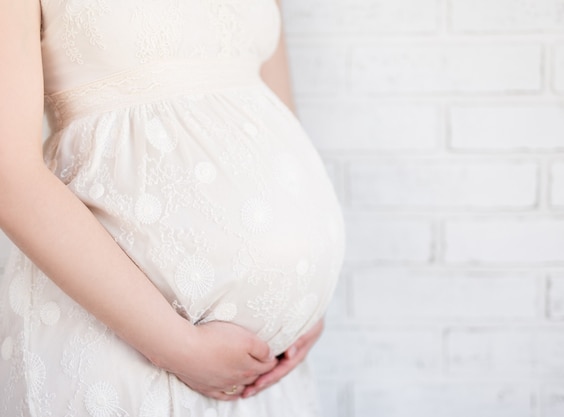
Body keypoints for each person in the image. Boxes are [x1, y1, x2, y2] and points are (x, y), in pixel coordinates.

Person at [0, 0, 345, 416]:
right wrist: (178, 348)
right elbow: (9, 174)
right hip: (125, 340)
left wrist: (301, 299)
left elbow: (269, 104)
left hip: (266, 369)